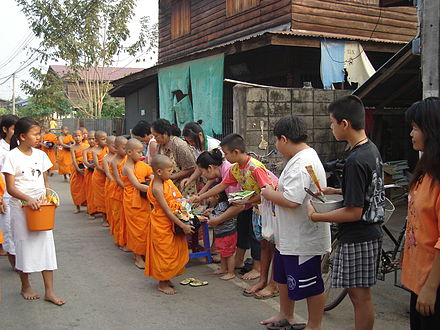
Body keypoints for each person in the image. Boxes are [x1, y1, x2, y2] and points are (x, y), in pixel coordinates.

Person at [306, 95, 384, 330]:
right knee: (359, 296)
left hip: (359, 236)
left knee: (360, 298)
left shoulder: (355, 160)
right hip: (369, 233)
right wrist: (336, 189)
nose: (331, 127)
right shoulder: (370, 150)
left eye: (332, 122)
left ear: (344, 124)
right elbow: (366, 190)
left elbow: (353, 212)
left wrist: (316, 216)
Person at [261, 116, 330, 330]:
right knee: (282, 276)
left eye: (276, 141)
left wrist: (268, 193)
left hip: (303, 238)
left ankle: (314, 325)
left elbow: (292, 200)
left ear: (283, 138)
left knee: (311, 284)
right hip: (289, 236)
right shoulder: (301, 157)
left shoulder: (303, 163)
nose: (276, 146)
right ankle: (285, 314)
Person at [190, 134, 278, 283]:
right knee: (255, 237)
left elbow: (267, 191)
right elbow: (221, 186)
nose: (225, 157)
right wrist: (200, 196)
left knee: (263, 241)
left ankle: (261, 272)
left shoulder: (255, 168)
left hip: (268, 207)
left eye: (226, 154)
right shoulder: (235, 169)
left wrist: (247, 200)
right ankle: (257, 272)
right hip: (254, 205)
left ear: (236, 152)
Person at [2, 117, 64, 305]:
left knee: (46, 247)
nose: (39, 137)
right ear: (22, 136)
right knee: (24, 247)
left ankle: (49, 291)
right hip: (21, 208)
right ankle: (25, 285)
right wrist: (27, 199)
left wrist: (49, 198)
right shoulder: (11, 156)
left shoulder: (41, 155)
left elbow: (45, 182)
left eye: (40, 133)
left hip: (41, 207)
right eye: (35, 134)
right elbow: (10, 188)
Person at [401, 97, 440, 329]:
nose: (411, 134)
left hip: (432, 284)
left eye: (415, 128)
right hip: (419, 281)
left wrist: (431, 287)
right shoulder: (425, 171)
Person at [145, 154, 194, 295]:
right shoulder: (157, 188)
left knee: (174, 251)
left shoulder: (167, 182)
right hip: (162, 223)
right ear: (159, 172)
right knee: (164, 253)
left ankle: (167, 278)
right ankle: (162, 283)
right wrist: (183, 226)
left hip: (174, 220)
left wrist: (187, 204)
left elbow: (177, 197)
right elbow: (166, 211)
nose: (172, 174)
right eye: (170, 171)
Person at [121, 139, 153, 269]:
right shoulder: (127, 167)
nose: (142, 154)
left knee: (146, 226)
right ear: (129, 152)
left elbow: (150, 174)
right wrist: (155, 190)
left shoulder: (141, 164)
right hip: (132, 200)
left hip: (144, 199)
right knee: (136, 229)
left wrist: (154, 179)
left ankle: (145, 252)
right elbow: (137, 185)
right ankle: (138, 256)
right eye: (139, 152)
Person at [151, 119, 196, 197]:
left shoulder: (179, 146)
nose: (154, 139)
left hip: (184, 186)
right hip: (170, 186)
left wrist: (170, 177)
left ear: (164, 134)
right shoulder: (159, 145)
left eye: (156, 136)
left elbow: (191, 168)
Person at [205, 188, 242, 280]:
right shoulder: (220, 205)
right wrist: (211, 212)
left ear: (217, 196)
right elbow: (215, 213)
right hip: (222, 233)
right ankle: (223, 268)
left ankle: (231, 272)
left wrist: (209, 216)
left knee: (229, 253)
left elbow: (217, 218)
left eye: (210, 196)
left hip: (227, 233)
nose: (209, 199)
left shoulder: (222, 205)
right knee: (223, 252)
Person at [0, 114, 19, 269]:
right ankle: (16, 265)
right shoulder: (1, 148)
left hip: (21, 195)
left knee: (21, 230)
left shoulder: (22, 146)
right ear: (5, 129)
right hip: (4, 195)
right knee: (8, 231)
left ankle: (24, 261)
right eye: (14, 129)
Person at [180, 121, 221, 193]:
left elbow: (215, 173)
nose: (191, 144)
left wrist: (201, 194)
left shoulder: (213, 146)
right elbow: (200, 166)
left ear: (200, 135)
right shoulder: (196, 147)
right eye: (188, 142)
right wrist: (190, 180)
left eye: (191, 141)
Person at [109, 136, 128, 249]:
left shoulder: (128, 158)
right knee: (119, 218)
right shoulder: (114, 161)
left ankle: (127, 239)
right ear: (116, 148)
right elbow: (117, 178)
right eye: (124, 148)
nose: (126, 150)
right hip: (118, 191)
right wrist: (128, 188)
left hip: (128, 190)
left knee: (126, 218)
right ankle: (120, 241)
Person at [91, 130, 109, 226]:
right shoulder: (94, 151)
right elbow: (97, 166)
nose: (105, 141)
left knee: (108, 196)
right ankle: (104, 218)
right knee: (101, 198)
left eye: (106, 138)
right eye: (103, 139)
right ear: (97, 141)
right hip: (99, 177)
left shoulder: (109, 149)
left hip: (109, 176)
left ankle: (110, 218)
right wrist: (106, 171)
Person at [69, 130, 88, 214]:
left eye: (79, 136)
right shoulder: (72, 147)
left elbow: (88, 158)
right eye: (76, 136)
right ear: (73, 137)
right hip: (76, 169)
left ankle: (88, 206)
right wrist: (78, 169)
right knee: (75, 188)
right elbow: (73, 159)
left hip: (85, 168)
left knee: (86, 188)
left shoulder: (86, 146)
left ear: (82, 136)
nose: (77, 138)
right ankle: (77, 206)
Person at [82, 131, 97, 219]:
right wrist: (90, 165)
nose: (91, 141)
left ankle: (100, 209)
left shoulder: (100, 149)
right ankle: (91, 211)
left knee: (98, 192)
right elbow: (85, 161)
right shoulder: (85, 151)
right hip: (90, 172)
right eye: (90, 139)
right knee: (90, 192)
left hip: (98, 173)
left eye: (93, 139)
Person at [103, 136, 116, 229]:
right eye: (113, 146)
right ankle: (110, 221)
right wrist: (115, 182)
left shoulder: (121, 157)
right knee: (111, 205)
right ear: (107, 146)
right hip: (111, 183)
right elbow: (107, 172)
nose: (115, 148)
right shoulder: (106, 158)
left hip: (120, 183)